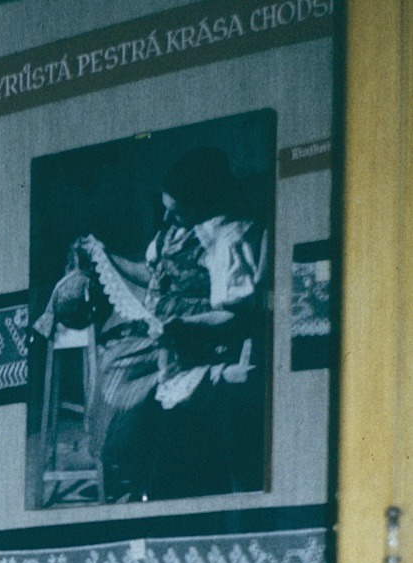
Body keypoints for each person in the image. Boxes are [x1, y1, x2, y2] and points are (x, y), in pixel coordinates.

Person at [36, 146, 268, 501]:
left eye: (178, 212)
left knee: (120, 372)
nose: (170, 219)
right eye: (168, 210)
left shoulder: (230, 237)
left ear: (203, 201)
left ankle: (150, 472)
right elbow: (153, 273)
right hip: (167, 330)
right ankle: (138, 469)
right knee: (110, 356)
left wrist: (184, 326)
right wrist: (107, 258)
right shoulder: (176, 229)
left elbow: (236, 314)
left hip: (198, 337)